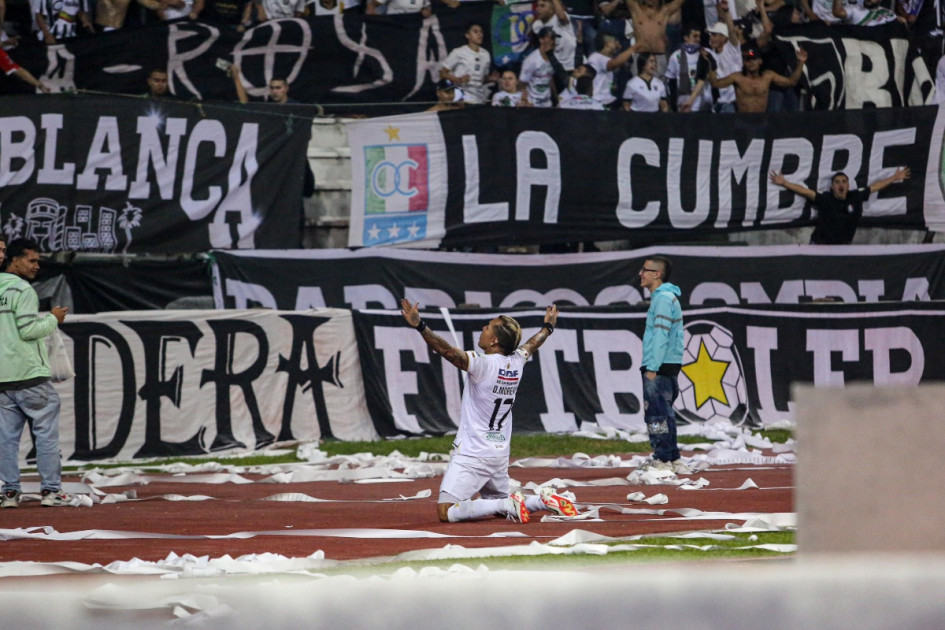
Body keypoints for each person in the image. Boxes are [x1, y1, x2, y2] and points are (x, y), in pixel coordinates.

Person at [399, 299, 577, 523]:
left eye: (487, 327)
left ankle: (508, 503)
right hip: (499, 454)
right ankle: (542, 502)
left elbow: (447, 351)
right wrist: (548, 328)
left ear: (494, 340)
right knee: (497, 503)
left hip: (473, 453)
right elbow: (532, 344)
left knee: (446, 510)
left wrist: (420, 325)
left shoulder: (482, 364)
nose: (483, 328)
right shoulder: (516, 361)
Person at [0, 239, 71, 509]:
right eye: (32, 260)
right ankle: (51, 491)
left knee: (6, 439)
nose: (37, 266)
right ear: (15, 261)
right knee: (46, 434)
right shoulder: (23, 289)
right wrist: (53, 318)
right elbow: (28, 330)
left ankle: (9, 493)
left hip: (2, 378)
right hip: (29, 376)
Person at [637, 255, 689, 475]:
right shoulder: (667, 297)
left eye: (645, 270)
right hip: (668, 364)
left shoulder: (662, 299)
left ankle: (662, 459)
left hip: (659, 366)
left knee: (656, 415)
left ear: (657, 274)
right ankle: (673, 457)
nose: (640, 273)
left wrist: (652, 367)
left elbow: (660, 334)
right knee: (665, 414)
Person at [768, 168, 911, 244]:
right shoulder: (825, 199)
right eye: (837, 182)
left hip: (843, 247)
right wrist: (785, 183)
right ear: (832, 186)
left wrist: (894, 177)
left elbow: (875, 187)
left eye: (844, 181)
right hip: (820, 246)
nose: (841, 184)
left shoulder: (855, 197)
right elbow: (805, 191)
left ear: (848, 185)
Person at [708, 45, 806, 113]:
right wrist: (711, 67)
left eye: (754, 59)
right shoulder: (737, 78)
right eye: (748, 60)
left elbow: (792, 82)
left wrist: (801, 62)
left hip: (761, 121)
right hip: (742, 122)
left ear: (760, 61)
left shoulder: (767, 76)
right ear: (744, 63)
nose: (751, 63)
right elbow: (715, 84)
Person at [626, 0, 686, 77]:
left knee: (660, 86)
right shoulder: (636, 10)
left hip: (659, 56)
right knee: (637, 85)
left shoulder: (665, 11)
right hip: (641, 55)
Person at [439, 22, 494, 105]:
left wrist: (491, 78)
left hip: (479, 97)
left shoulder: (486, 54)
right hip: (463, 96)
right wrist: (458, 79)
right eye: (475, 32)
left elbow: (483, 78)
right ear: (467, 35)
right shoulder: (458, 52)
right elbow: (442, 73)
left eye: (481, 32)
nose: (479, 34)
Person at [664, 25, 710, 112]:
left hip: (701, 99)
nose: (698, 40)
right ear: (686, 38)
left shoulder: (704, 54)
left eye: (699, 36)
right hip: (682, 99)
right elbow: (670, 81)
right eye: (695, 36)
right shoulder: (675, 56)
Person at [703, 17, 741, 113]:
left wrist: (726, 12)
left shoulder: (732, 50)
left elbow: (732, 32)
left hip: (731, 102)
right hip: (716, 104)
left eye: (714, 35)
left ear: (724, 37)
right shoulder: (710, 53)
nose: (711, 38)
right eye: (710, 35)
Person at [530, 0, 577, 72]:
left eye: (542, 6)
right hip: (556, 67)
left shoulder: (559, 18)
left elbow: (562, 17)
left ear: (551, 10)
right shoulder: (537, 25)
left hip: (574, 64)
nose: (538, 9)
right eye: (537, 6)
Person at [519, 27, 558, 108]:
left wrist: (556, 100)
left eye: (554, 39)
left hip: (547, 104)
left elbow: (550, 78)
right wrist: (525, 101)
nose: (553, 42)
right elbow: (522, 83)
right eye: (550, 38)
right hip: (533, 105)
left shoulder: (554, 57)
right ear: (541, 40)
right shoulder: (531, 60)